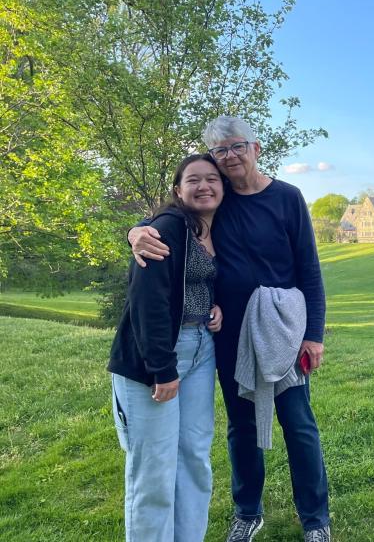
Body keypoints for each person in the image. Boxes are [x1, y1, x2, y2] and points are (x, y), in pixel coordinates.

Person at [129, 116, 330, 542]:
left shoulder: (287, 197)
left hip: (283, 330)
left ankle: (315, 519)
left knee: (298, 423)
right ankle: (247, 512)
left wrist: (315, 334)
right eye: (220, 151)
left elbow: (310, 270)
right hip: (229, 334)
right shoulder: (216, 200)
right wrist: (134, 233)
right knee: (241, 426)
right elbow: (165, 222)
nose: (229, 157)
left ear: (256, 148)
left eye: (237, 147)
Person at [108, 154, 225, 541]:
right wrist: (162, 367)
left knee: (193, 458)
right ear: (178, 190)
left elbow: (204, 280)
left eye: (212, 178)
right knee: (154, 469)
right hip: (156, 355)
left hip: (202, 349)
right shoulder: (166, 229)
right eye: (193, 179)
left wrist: (216, 303)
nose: (204, 185)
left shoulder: (217, 228)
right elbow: (149, 300)